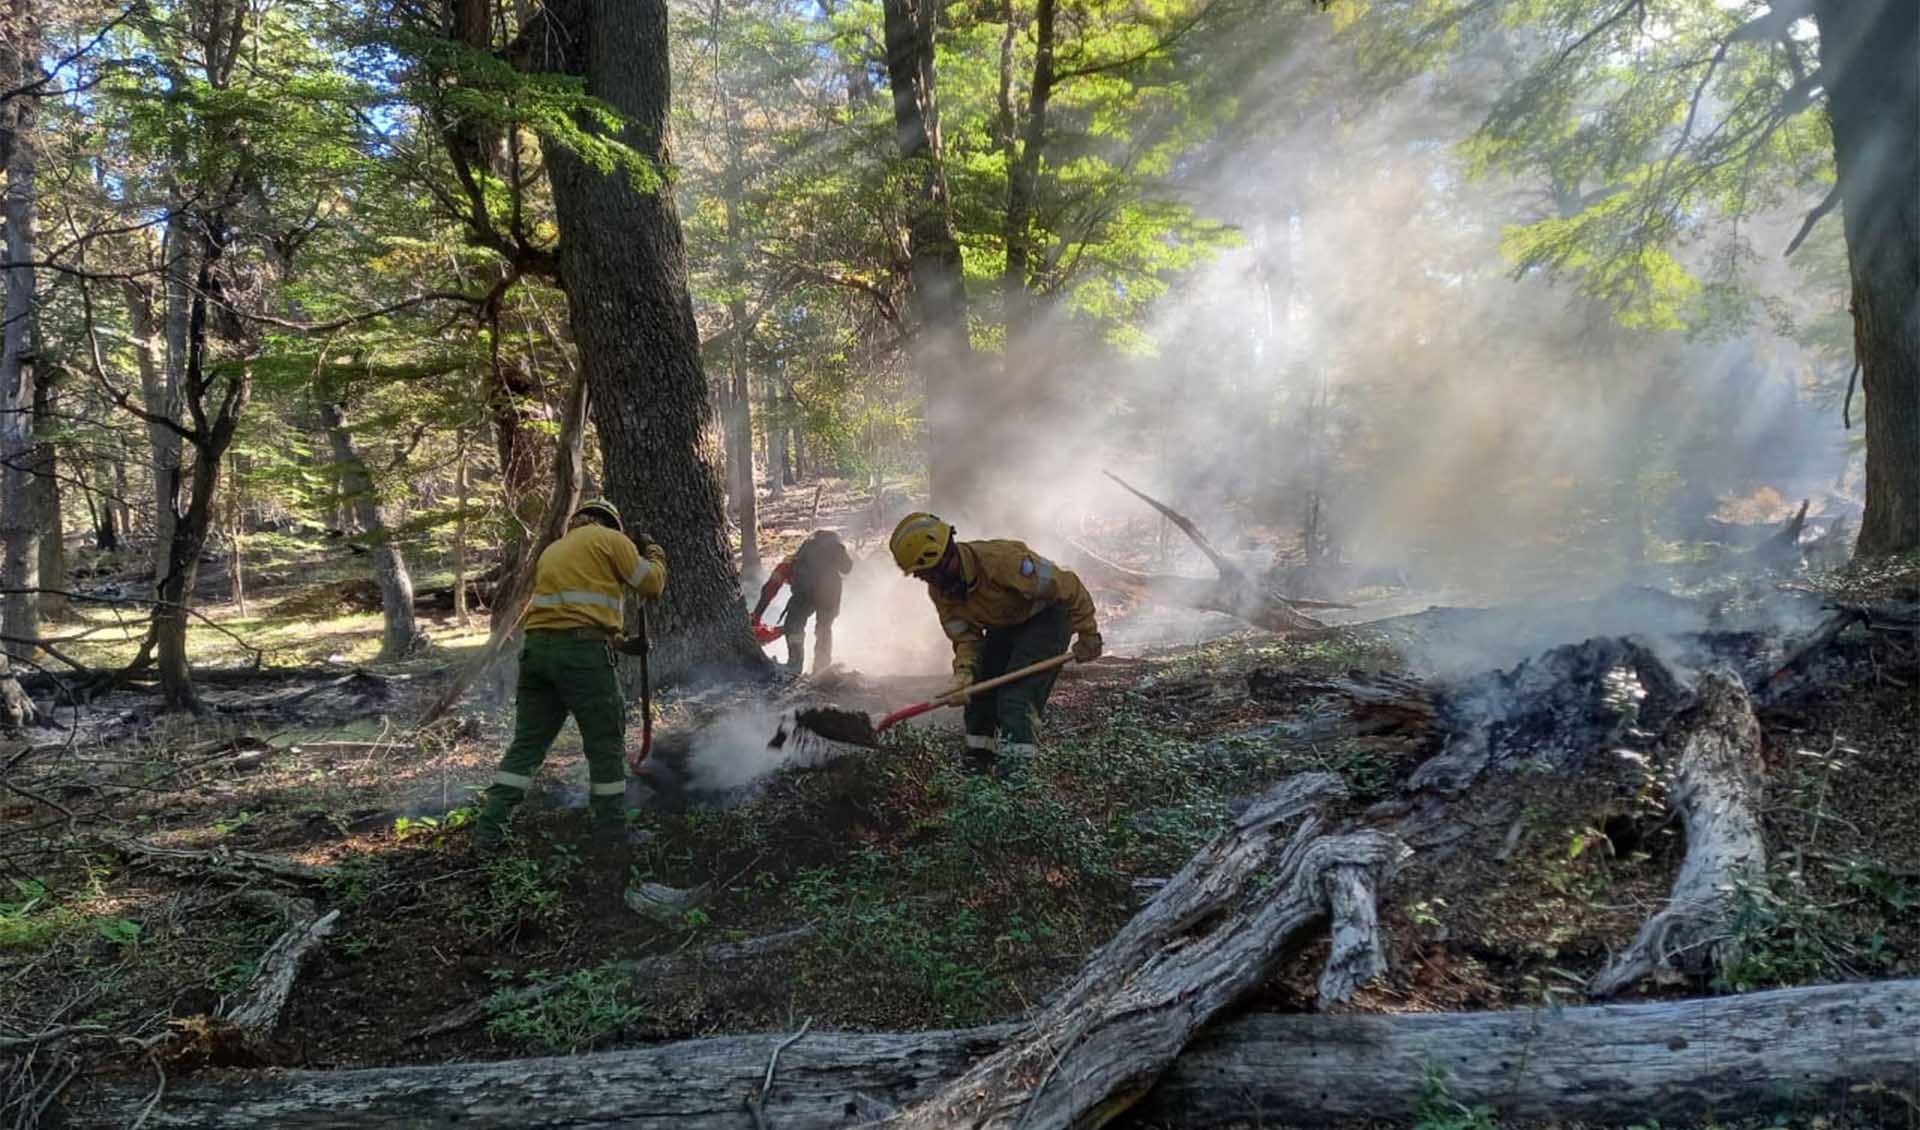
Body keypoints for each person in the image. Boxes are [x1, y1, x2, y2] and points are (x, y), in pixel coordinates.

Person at [474, 498, 667, 850]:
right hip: (582, 658)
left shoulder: (554, 550)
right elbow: (651, 585)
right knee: (605, 743)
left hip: (536, 654)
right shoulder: (612, 540)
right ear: (611, 523)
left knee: (527, 744)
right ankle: (612, 832)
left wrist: (622, 643)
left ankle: (489, 827)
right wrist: (653, 551)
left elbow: (568, 614)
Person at [888, 512, 1101, 774]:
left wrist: (1088, 632)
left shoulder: (1002, 561)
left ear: (944, 557)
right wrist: (964, 674)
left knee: (1016, 699)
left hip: (1048, 617)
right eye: (921, 576)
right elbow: (966, 637)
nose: (927, 581)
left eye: (928, 574)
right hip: (1005, 625)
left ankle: (1018, 776)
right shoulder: (942, 593)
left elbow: (1068, 586)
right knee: (979, 694)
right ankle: (978, 761)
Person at [751, 530, 854, 675]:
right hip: (830, 593)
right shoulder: (828, 554)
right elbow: (847, 568)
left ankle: (795, 665)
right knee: (823, 628)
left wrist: (757, 616)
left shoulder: (790, 562)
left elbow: (769, 590)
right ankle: (822, 669)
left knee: (794, 626)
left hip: (805, 594)